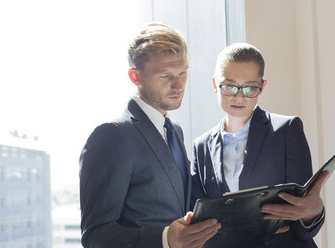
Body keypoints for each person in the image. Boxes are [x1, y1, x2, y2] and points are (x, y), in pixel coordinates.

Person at [79, 22, 221, 248]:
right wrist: (165, 239)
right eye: (165, 76)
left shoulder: (175, 130)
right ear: (135, 76)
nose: (178, 85)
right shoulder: (111, 136)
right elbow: (95, 235)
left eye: (183, 73)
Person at [191, 43, 327, 247]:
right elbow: (201, 225)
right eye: (229, 86)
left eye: (249, 88)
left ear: (261, 87)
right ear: (214, 84)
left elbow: (302, 224)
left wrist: (312, 211)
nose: (239, 96)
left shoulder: (287, 130)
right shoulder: (201, 146)